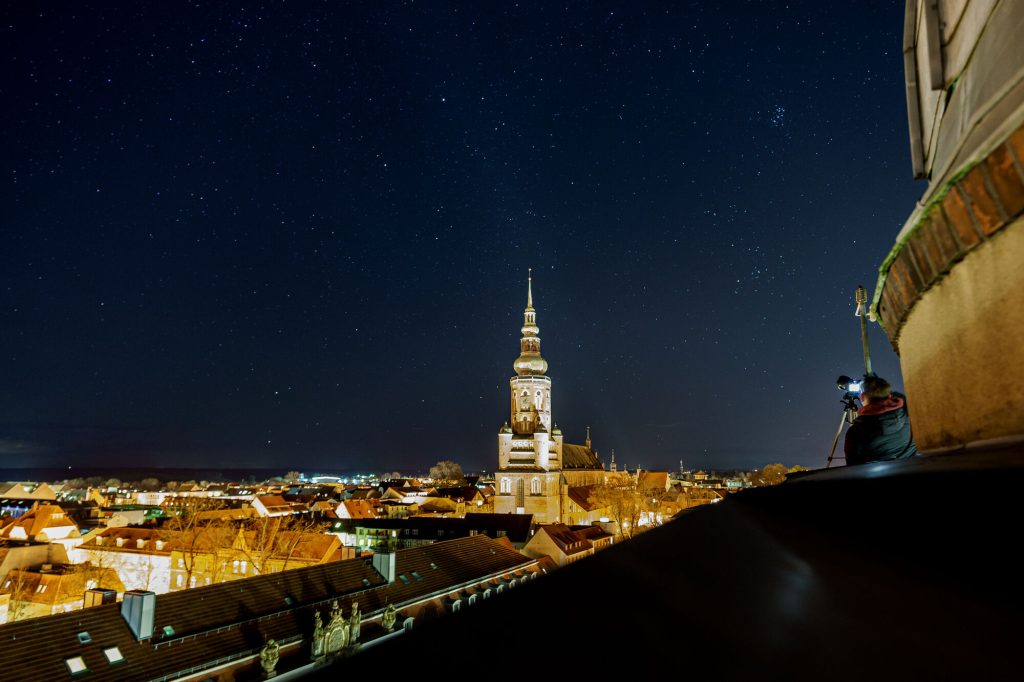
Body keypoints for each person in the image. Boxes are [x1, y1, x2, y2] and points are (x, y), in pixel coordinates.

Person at [844, 375, 919, 465]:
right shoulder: (909, 413)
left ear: (863, 397)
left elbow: (852, 467)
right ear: (890, 395)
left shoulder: (855, 433)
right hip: (913, 470)